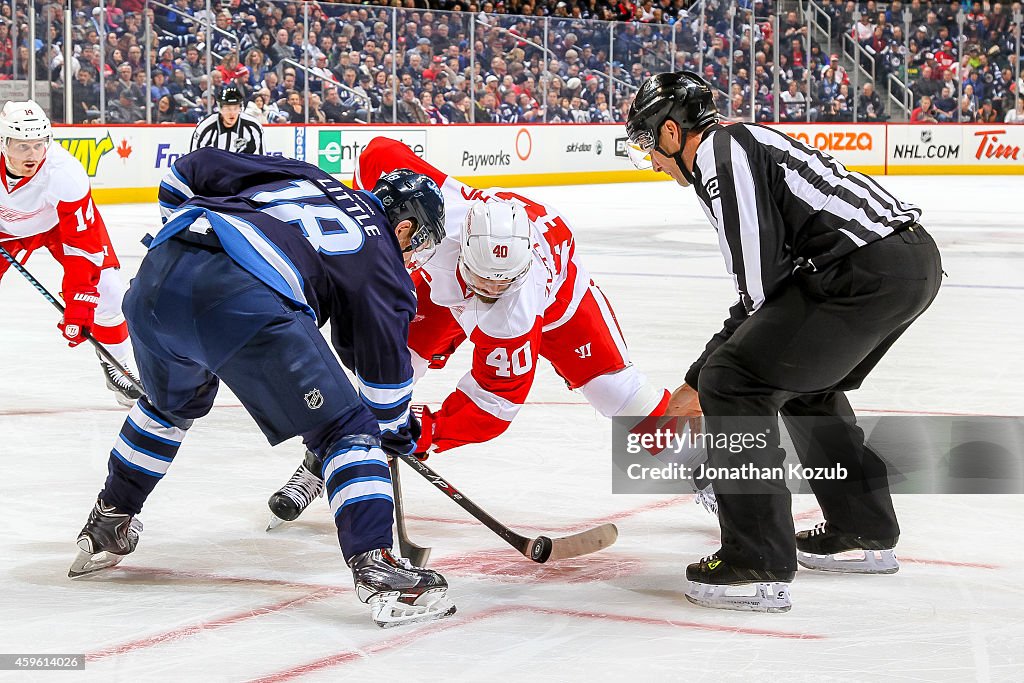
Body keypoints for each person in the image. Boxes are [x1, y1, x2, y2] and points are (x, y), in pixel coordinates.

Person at [68, 148, 455, 628]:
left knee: (167, 407)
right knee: (347, 429)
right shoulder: (381, 256)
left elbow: (184, 171)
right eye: (419, 246)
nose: (415, 258)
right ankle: (376, 567)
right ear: (404, 228)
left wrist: (187, 248)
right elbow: (383, 381)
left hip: (157, 275)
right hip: (243, 298)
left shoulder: (307, 174)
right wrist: (396, 429)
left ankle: (110, 520)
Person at [624, 71, 942, 612]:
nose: (652, 161)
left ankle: (755, 562)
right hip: (901, 264)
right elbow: (774, 287)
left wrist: (700, 380)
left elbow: (760, 289)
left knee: (735, 381)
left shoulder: (721, 156)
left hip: (861, 272)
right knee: (804, 386)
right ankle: (860, 529)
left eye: (650, 146)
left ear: (673, 132)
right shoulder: (739, 143)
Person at [267, 136, 701, 526]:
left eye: (501, 284)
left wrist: (424, 431)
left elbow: (494, 405)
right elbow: (379, 152)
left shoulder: (513, 307)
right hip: (445, 293)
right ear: (460, 242)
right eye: (483, 280)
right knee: (388, 368)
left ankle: (720, 476)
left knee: (623, 396)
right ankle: (320, 459)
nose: (489, 292)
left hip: (561, 308)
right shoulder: (445, 211)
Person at [0, 100, 142, 406]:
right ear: (4, 142)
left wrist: (79, 300)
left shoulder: (64, 172)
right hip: (5, 231)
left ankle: (116, 364)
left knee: (109, 293)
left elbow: (83, 246)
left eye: (39, 145)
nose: (33, 155)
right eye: (23, 146)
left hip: (57, 225)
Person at [190, 85, 265, 154]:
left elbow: (260, 160)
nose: (232, 113)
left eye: (235, 108)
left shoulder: (252, 126)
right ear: (220, 108)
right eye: (228, 109)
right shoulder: (205, 127)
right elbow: (194, 159)